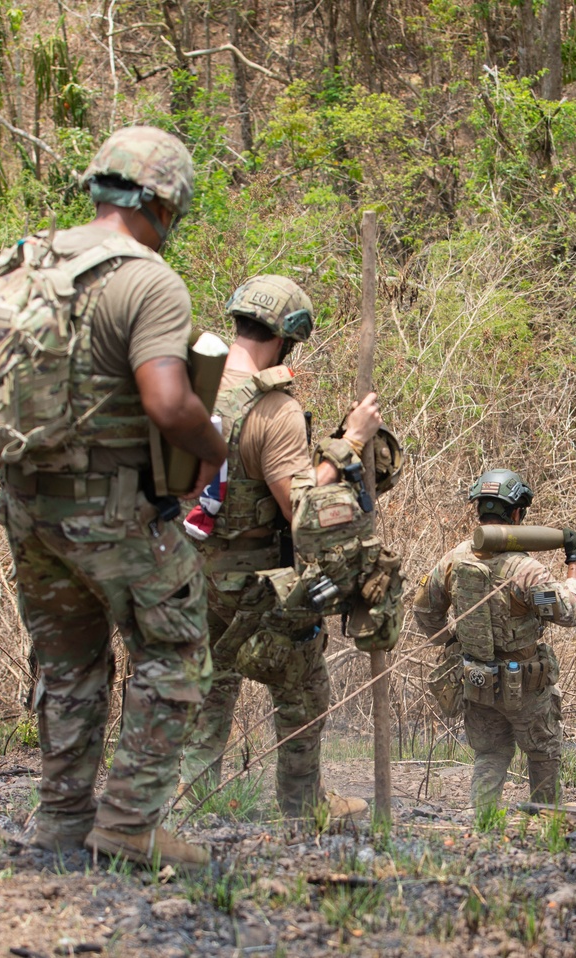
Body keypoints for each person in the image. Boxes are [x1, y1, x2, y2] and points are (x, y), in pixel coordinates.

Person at [0, 126, 228, 869]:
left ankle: (62, 822)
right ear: (163, 203)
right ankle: (128, 824)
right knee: (177, 646)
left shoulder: (27, 260)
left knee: (66, 662)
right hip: (113, 505)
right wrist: (213, 449)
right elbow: (166, 402)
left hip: (28, 503)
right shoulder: (147, 279)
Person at [179, 275, 381, 819]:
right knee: (302, 693)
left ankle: (192, 811)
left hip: (185, 571)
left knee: (206, 699)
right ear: (288, 335)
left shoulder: (186, 384)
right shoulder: (274, 410)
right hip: (255, 585)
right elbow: (303, 512)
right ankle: (302, 809)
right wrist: (350, 442)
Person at [412, 469, 576, 813]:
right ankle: (547, 823)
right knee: (543, 752)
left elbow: (424, 611)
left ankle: (483, 823)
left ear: (479, 510)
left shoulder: (454, 558)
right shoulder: (526, 571)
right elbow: (568, 613)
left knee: (490, 754)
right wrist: (574, 566)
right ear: (518, 513)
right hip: (524, 683)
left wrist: (453, 640)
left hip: (476, 678)